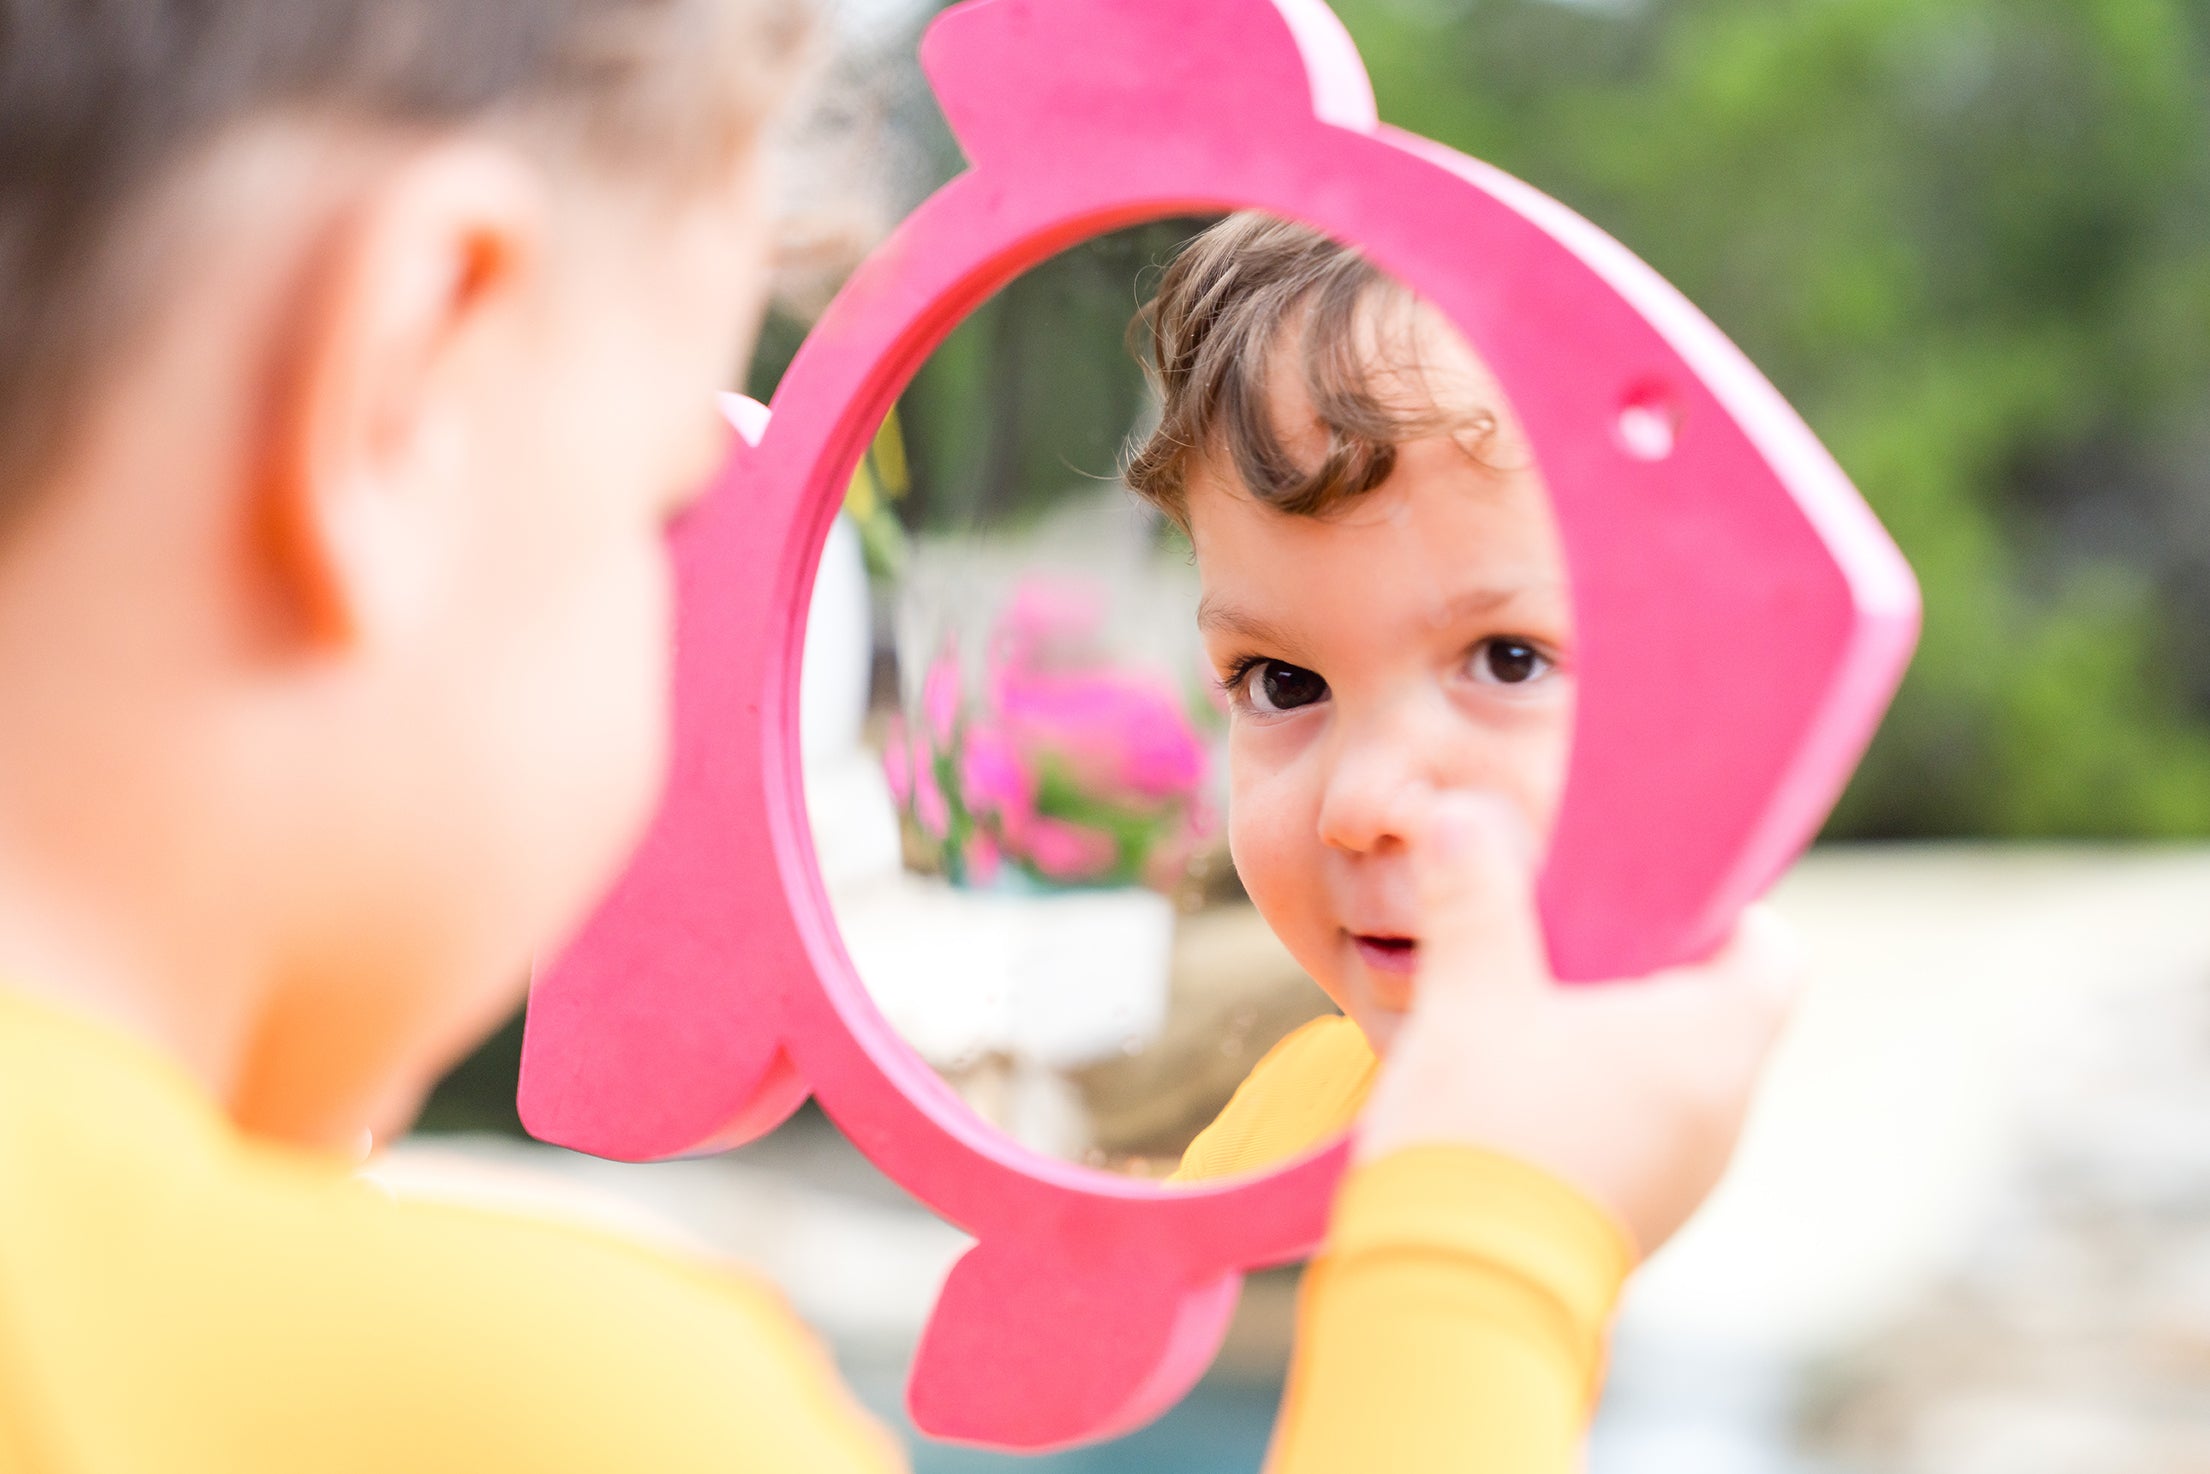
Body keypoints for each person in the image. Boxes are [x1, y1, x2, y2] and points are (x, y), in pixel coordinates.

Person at [0, 6, 1798, 1471]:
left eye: (1501, 657)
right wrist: (1486, 1257)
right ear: (406, 387)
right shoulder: (558, 1408)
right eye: (662, 504)